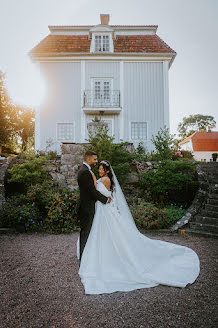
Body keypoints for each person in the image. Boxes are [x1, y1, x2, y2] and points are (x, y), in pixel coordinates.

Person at [77, 160, 200, 295]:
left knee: (109, 233)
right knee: (101, 233)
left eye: (101, 169)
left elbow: (96, 190)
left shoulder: (105, 180)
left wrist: (93, 177)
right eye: (99, 169)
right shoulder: (102, 178)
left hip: (104, 210)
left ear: (107, 171)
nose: (99, 171)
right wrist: (95, 177)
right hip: (102, 210)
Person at [77, 151, 111, 262]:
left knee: (88, 232)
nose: (96, 161)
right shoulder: (85, 172)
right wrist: (105, 199)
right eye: (95, 159)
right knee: (85, 233)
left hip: (87, 206)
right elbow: (92, 191)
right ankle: (83, 258)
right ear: (89, 159)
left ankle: (86, 255)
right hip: (86, 208)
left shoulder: (85, 170)